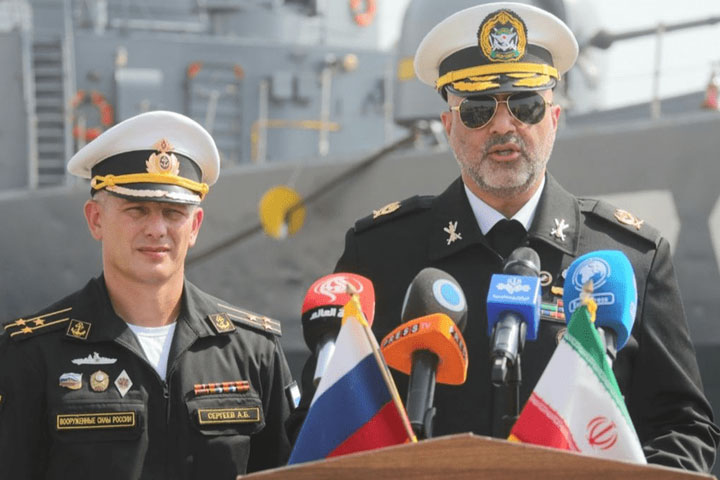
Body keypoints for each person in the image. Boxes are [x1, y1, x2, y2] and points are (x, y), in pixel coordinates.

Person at [292, 2, 719, 472]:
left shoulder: (630, 258)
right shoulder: (379, 254)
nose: (502, 126)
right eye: (477, 111)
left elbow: (682, 428)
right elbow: (323, 425)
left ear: (553, 119)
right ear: (448, 126)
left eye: (525, 106)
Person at [0, 111, 298, 479]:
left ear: (195, 226)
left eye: (173, 212)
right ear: (95, 219)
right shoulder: (32, 355)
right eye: (136, 210)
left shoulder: (253, 352)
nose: (157, 229)